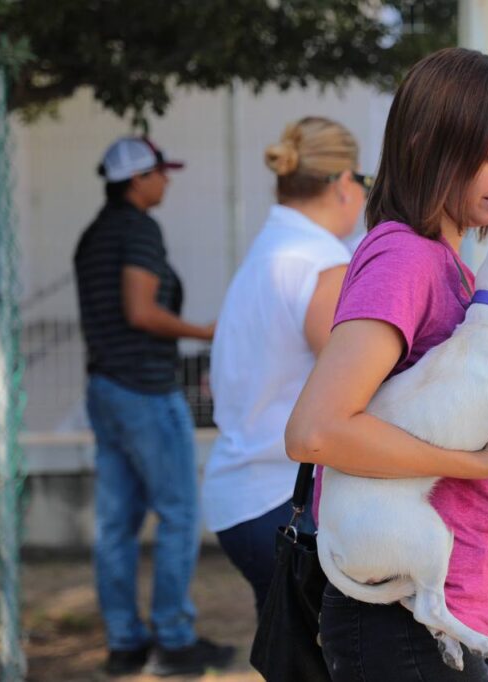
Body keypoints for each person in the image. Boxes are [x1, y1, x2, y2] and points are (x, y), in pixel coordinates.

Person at [284, 48, 488, 681]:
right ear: (429, 145)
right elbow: (315, 431)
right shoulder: (407, 260)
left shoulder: (450, 265)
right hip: (402, 624)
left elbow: (464, 495)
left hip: (454, 616)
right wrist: (479, 461)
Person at [73, 137, 234, 676]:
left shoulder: (95, 234)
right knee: (179, 513)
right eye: (161, 173)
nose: (166, 181)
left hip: (105, 389)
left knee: (116, 524)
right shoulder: (138, 229)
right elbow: (141, 311)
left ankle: (124, 643)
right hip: (144, 389)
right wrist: (206, 331)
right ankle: (173, 639)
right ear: (138, 179)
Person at [202, 117, 366, 617]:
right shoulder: (320, 263)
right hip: (280, 501)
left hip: (247, 498)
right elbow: (357, 390)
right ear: (342, 183)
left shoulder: (272, 251)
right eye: (363, 180)